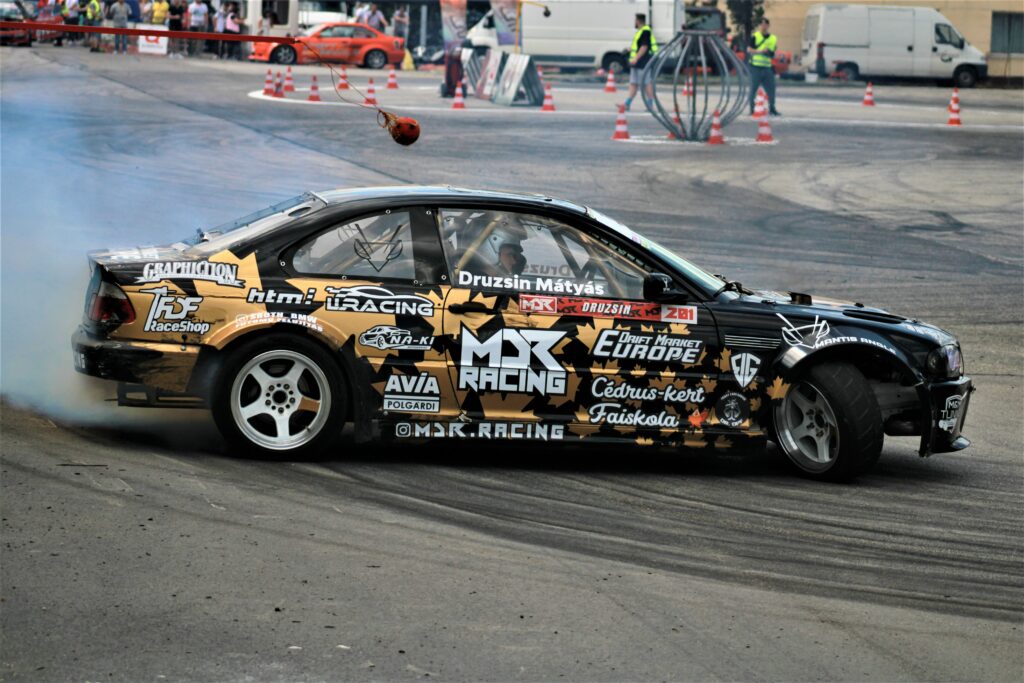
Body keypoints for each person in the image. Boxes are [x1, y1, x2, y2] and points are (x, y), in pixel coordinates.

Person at [624, 13, 656, 112]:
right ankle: (627, 104)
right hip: (638, 62)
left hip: (643, 62)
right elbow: (640, 46)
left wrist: (636, 58)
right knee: (633, 83)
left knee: (646, 83)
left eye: (635, 20)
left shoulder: (645, 31)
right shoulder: (640, 31)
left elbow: (644, 47)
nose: (634, 22)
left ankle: (650, 104)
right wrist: (630, 50)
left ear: (638, 21)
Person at [748, 18, 780, 116]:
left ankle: (772, 108)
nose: (763, 26)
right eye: (761, 24)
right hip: (755, 67)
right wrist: (760, 51)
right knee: (753, 89)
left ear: (768, 26)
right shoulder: (755, 36)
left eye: (765, 24)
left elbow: (774, 53)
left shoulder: (773, 38)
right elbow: (749, 49)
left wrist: (769, 53)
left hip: (767, 67)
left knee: (771, 88)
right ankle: (752, 109)